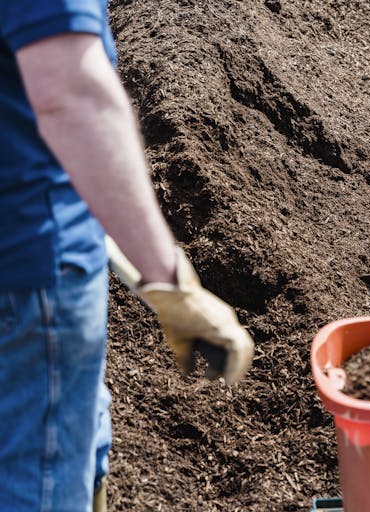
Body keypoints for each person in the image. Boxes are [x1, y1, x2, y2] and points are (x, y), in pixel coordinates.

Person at [0, 2, 255, 511]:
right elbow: (72, 94)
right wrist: (170, 281)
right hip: (30, 271)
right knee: (38, 482)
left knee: (75, 431)